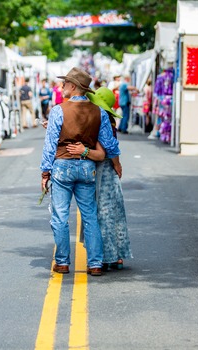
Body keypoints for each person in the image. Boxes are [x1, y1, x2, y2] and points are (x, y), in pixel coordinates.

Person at [41, 67, 121, 277]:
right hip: (86, 167)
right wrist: (117, 163)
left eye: (65, 83)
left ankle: (63, 262)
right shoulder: (99, 112)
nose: (62, 86)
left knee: (60, 216)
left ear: (73, 87)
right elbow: (109, 144)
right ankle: (94, 263)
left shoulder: (59, 110)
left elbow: (50, 146)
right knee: (89, 216)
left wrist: (45, 172)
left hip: (62, 167)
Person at [66, 87, 132, 270]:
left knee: (100, 212)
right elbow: (112, 149)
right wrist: (117, 164)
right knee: (112, 212)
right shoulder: (104, 119)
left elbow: (110, 149)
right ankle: (116, 255)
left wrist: (116, 163)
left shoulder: (98, 119)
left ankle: (103, 256)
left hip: (99, 168)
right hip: (105, 170)